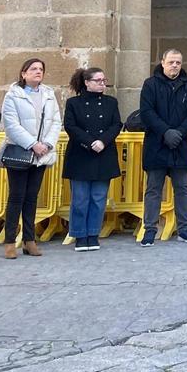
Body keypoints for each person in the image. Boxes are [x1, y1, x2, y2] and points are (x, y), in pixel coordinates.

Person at [0, 58, 62, 259]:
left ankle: (29, 239)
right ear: (23, 73)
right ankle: (9, 241)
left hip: (41, 153)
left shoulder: (49, 95)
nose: (38, 72)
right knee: (16, 196)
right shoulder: (13, 95)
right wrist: (32, 144)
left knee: (32, 197)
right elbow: (11, 124)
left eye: (41, 69)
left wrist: (47, 144)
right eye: (33, 69)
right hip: (21, 151)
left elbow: (56, 122)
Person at [140, 49, 187, 246]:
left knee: (182, 188)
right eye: (171, 62)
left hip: (181, 144)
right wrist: (165, 132)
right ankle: (150, 229)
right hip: (157, 143)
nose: (174, 65)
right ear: (162, 62)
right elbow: (147, 112)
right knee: (153, 189)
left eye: (178, 62)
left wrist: (179, 133)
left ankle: (184, 228)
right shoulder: (150, 84)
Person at [63, 67, 122, 251]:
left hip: (103, 153)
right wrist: (90, 142)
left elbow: (116, 124)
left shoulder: (111, 102)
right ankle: (80, 234)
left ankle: (93, 233)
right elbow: (70, 126)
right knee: (80, 198)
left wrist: (103, 141)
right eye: (98, 80)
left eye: (104, 80)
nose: (102, 84)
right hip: (81, 154)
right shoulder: (73, 103)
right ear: (87, 82)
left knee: (98, 197)